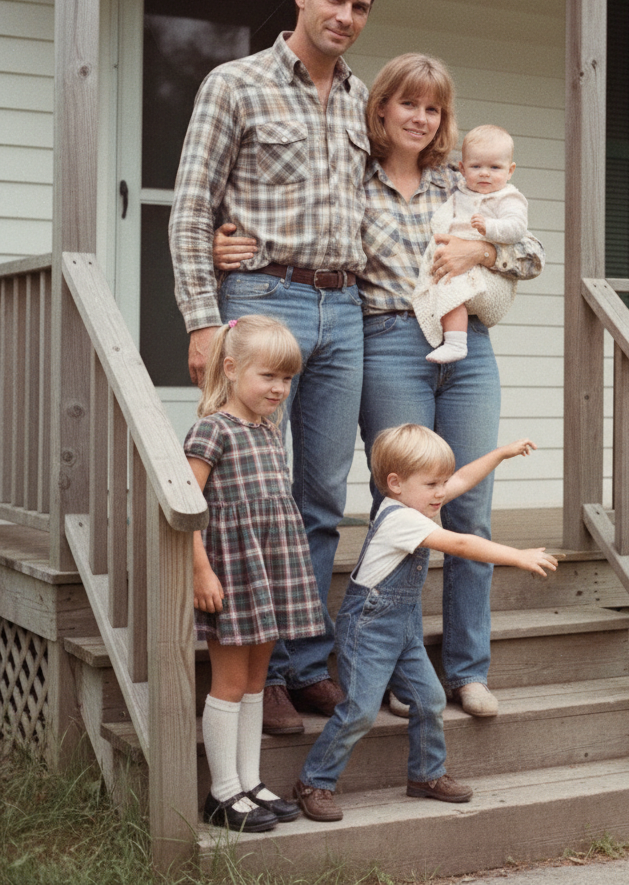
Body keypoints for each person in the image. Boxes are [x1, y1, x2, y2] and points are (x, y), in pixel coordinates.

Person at [212, 52, 545, 719]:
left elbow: (531, 254)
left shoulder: (460, 186)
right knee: (404, 509)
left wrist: (485, 250)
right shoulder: (352, 184)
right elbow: (297, 230)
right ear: (382, 110)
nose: (421, 118)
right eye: (409, 104)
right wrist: (235, 244)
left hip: (470, 348)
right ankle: (394, 667)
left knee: (469, 508)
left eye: (433, 109)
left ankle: (468, 669)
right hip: (388, 342)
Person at [169, 0, 382, 734]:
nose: (346, 16)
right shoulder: (237, 84)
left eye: (360, 6)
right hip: (262, 300)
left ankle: (297, 663)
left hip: (347, 307)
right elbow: (193, 209)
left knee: (323, 492)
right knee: (248, 492)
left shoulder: (365, 99)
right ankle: (247, 667)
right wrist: (201, 315)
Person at [292, 423, 557, 822]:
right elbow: (462, 544)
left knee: (430, 700)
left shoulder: (419, 499)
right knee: (360, 712)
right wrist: (516, 555)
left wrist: (500, 453)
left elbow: (464, 477)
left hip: (403, 629)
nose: (442, 493)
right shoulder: (400, 517)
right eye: (433, 484)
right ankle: (314, 781)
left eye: (443, 483)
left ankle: (425, 775)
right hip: (368, 630)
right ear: (396, 483)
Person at [185, 315, 327, 833]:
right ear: (231, 368)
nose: (279, 388)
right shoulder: (211, 429)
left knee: (254, 682)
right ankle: (222, 793)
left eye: (287, 379)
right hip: (233, 570)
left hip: (272, 568)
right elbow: (185, 509)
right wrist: (201, 571)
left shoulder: (267, 430)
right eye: (268, 376)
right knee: (228, 682)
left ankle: (249, 781)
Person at [411, 124, 527, 364]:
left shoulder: (507, 197)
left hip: (484, 272)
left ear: (510, 170)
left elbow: (517, 228)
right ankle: (453, 339)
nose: (485, 173)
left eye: (495, 167)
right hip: (455, 263)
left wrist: (489, 229)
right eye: (476, 167)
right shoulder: (460, 192)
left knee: (453, 291)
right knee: (448, 287)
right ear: (462, 169)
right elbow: (444, 215)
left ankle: (456, 343)